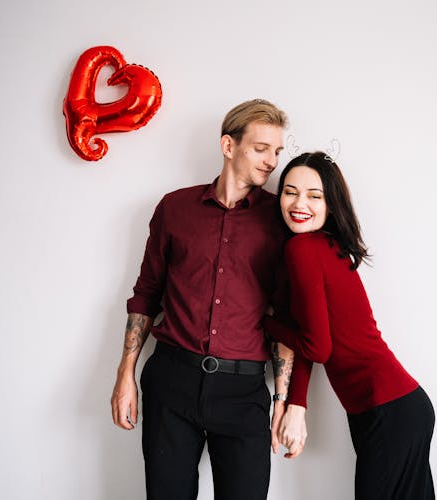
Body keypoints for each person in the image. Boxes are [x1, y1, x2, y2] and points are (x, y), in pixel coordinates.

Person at [110, 99, 308, 500]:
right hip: (171, 382)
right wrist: (125, 373)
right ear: (228, 146)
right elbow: (147, 293)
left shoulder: (281, 220)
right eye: (261, 148)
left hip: (243, 391)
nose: (272, 161)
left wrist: (285, 400)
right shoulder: (174, 208)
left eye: (277, 151)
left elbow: (288, 316)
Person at [264, 152, 436, 499]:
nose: (299, 204)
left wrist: (265, 322)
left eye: (315, 196)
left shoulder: (303, 249)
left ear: (332, 203)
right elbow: (309, 335)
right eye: (290, 192)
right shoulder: (325, 246)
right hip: (397, 406)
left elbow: (315, 346)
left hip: (385, 409)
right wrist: (295, 403)